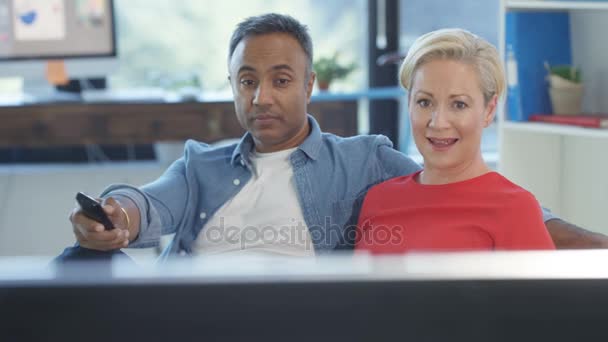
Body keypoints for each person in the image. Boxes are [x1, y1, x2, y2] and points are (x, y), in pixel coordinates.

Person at [64, 14, 606, 262]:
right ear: (231, 87)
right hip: (195, 321)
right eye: (247, 82)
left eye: (280, 80)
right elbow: (146, 203)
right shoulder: (198, 167)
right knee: (77, 263)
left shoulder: (364, 163)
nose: (262, 98)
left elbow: (484, 200)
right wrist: (117, 217)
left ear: (310, 85)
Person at [356, 29, 555, 253]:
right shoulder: (378, 199)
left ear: (489, 111)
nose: (439, 122)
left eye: (459, 104)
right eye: (424, 102)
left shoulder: (516, 209)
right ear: (409, 103)